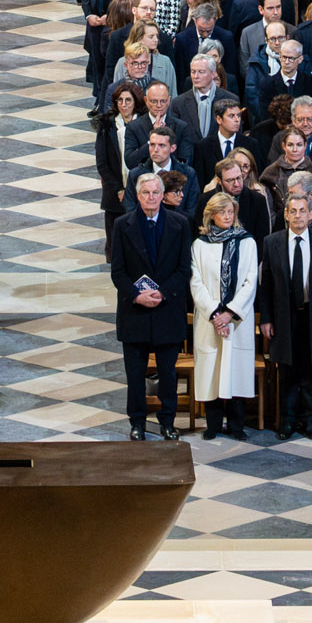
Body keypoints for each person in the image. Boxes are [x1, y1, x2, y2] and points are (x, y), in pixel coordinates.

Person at [111, 171, 192, 441]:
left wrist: (163, 292)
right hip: (135, 312)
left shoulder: (180, 224)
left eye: (155, 192)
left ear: (162, 195)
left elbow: (184, 269)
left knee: (168, 374)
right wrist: (136, 295)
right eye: (145, 193)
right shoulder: (122, 225)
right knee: (135, 375)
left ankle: (167, 422)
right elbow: (118, 271)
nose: (151, 197)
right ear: (137, 195)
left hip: (167, 310)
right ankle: (137, 423)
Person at [260, 183, 312, 439]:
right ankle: (287, 420)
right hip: (284, 316)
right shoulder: (272, 242)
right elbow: (266, 285)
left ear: (311, 214)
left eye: (302, 211)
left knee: (310, 371)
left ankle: (309, 420)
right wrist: (267, 319)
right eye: (292, 211)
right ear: (285, 214)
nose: (297, 216)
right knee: (287, 370)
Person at [190, 190, 258, 441]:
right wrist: (215, 313)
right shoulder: (200, 245)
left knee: (235, 371)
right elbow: (196, 283)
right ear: (211, 215)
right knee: (212, 369)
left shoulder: (247, 242)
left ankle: (237, 425)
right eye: (222, 212)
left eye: (231, 212)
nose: (227, 216)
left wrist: (229, 313)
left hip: (237, 321)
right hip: (210, 322)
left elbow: (251, 281)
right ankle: (213, 425)